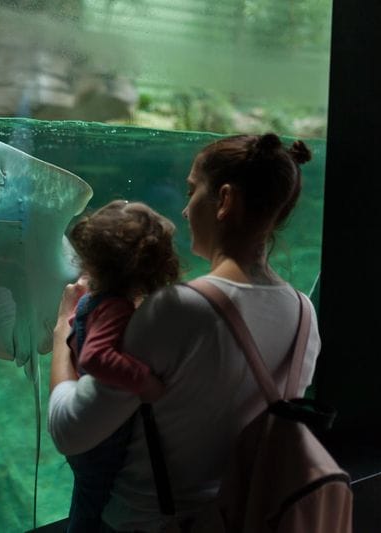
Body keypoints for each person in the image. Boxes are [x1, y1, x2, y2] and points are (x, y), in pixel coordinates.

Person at [48, 133, 322, 532]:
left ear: (224, 200)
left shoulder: (177, 310)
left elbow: (71, 431)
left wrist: (62, 333)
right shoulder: (305, 314)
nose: (184, 207)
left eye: (193, 190)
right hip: (241, 518)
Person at [61, 200, 179, 532]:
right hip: (102, 438)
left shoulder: (91, 300)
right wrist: (145, 382)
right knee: (90, 504)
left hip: (88, 429)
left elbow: (76, 335)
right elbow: (95, 357)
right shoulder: (117, 309)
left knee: (87, 495)